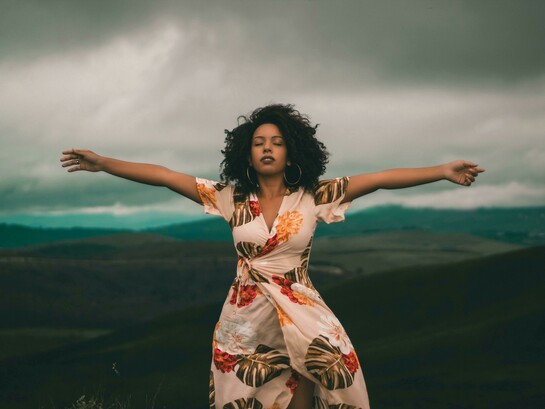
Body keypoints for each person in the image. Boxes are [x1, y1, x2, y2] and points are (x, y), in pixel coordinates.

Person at [60, 103, 485, 409]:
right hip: (244, 318)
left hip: (300, 309)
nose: (267, 148)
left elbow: (379, 180)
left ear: (290, 151)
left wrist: (442, 170)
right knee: (247, 396)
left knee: (322, 376)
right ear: (246, 151)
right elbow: (168, 177)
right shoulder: (230, 197)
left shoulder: (315, 196)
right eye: (259, 142)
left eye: (277, 142)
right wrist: (104, 163)